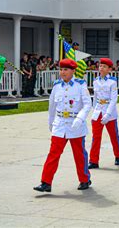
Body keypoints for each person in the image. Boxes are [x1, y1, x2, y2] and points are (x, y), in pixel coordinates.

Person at [33, 59, 92, 193]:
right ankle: (46, 182)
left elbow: (88, 104)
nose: (62, 72)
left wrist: (80, 118)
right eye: (61, 69)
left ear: (73, 71)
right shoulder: (57, 85)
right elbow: (52, 106)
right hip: (59, 123)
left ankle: (84, 179)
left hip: (75, 124)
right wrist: (50, 121)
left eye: (66, 69)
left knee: (79, 154)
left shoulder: (80, 85)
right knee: (53, 153)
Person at [88, 58, 119, 169]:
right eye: (100, 66)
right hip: (98, 110)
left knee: (113, 135)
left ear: (109, 69)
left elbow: (113, 99)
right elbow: (95, 97)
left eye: (104, 66)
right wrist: (94, 111)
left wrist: (107, 114)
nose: (101, 68)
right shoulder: (95, 81)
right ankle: (93, 160)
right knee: (96, 137)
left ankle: (118, 156)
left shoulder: (112, 82)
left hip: (109, 111)